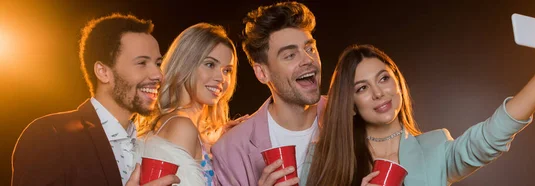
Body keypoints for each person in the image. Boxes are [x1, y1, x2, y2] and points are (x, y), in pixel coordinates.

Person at [305, 16, 535, 186]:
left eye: (383, 79)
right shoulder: (321, 158)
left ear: (397, 82)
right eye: (362, 88)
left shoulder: (435, 148)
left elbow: (490, 137)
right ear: (350, 104)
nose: (378, 93)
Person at [11, 13, 178, 186]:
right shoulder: (50, 135)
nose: (158, 74)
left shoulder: (148, 144)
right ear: (103, 72)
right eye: (142, 63)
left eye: (158, 63)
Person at [211, 2, 326, 186]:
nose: (307, 59)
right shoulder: (230, 150)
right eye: (290, 55)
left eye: (310, 48)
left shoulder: (348, 117)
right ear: (262, 73)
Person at [135, 23, 239, 186]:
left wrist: (217, 142)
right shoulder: (181, 126)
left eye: (227, 70)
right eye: (210, 64)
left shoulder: (179, 123)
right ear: (185, 64)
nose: (221, 78)